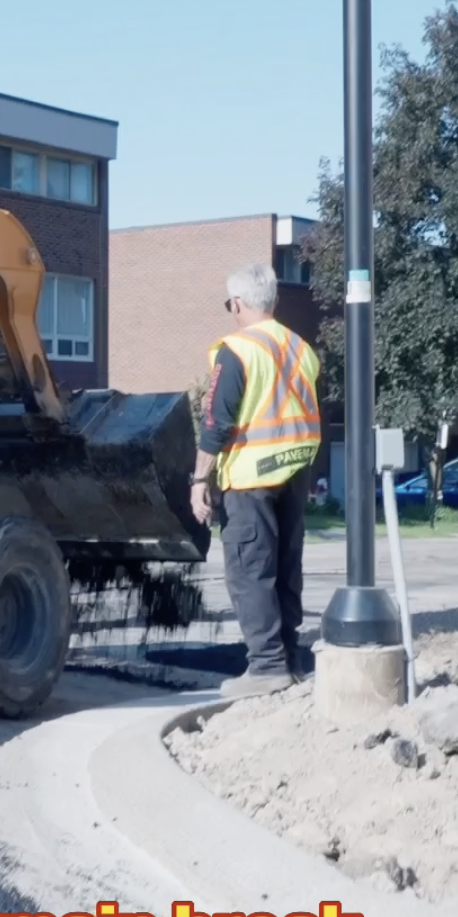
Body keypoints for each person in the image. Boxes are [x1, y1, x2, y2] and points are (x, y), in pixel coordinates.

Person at [189, 264, 322, 699]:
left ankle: (266, 668)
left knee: (250, 569)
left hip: (250, 477)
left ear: (240, 304)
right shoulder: (300, 348)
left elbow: (217, 423)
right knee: (285, 564)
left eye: (231, 305)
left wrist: (198, 480)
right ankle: (290, 659)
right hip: (296, 470)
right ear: (275, 303)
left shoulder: (237, 350)